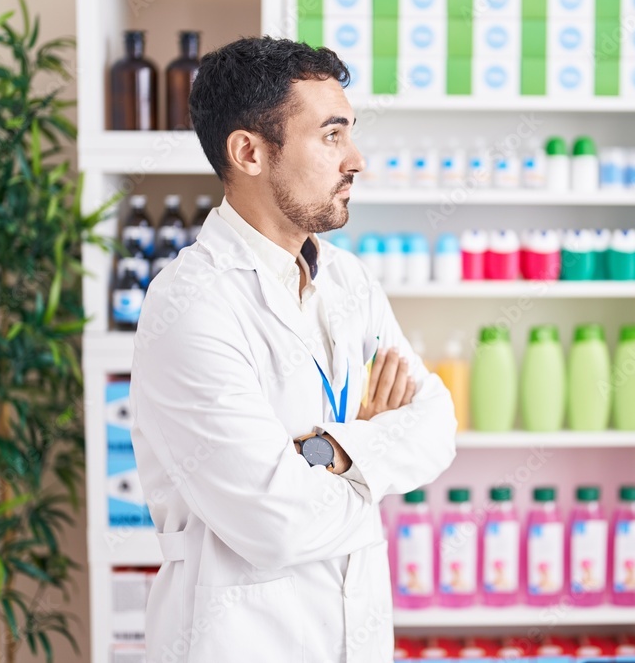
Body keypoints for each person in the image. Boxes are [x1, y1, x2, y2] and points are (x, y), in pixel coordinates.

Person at [128, 36, 457, 663]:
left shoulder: (348, 281)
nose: (356, 159)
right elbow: (276, 525)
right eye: (331, 136)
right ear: (249, 152)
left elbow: (437, 426)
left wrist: (329, 450)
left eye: (351, 134)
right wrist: (373, 448)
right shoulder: (189, 306)